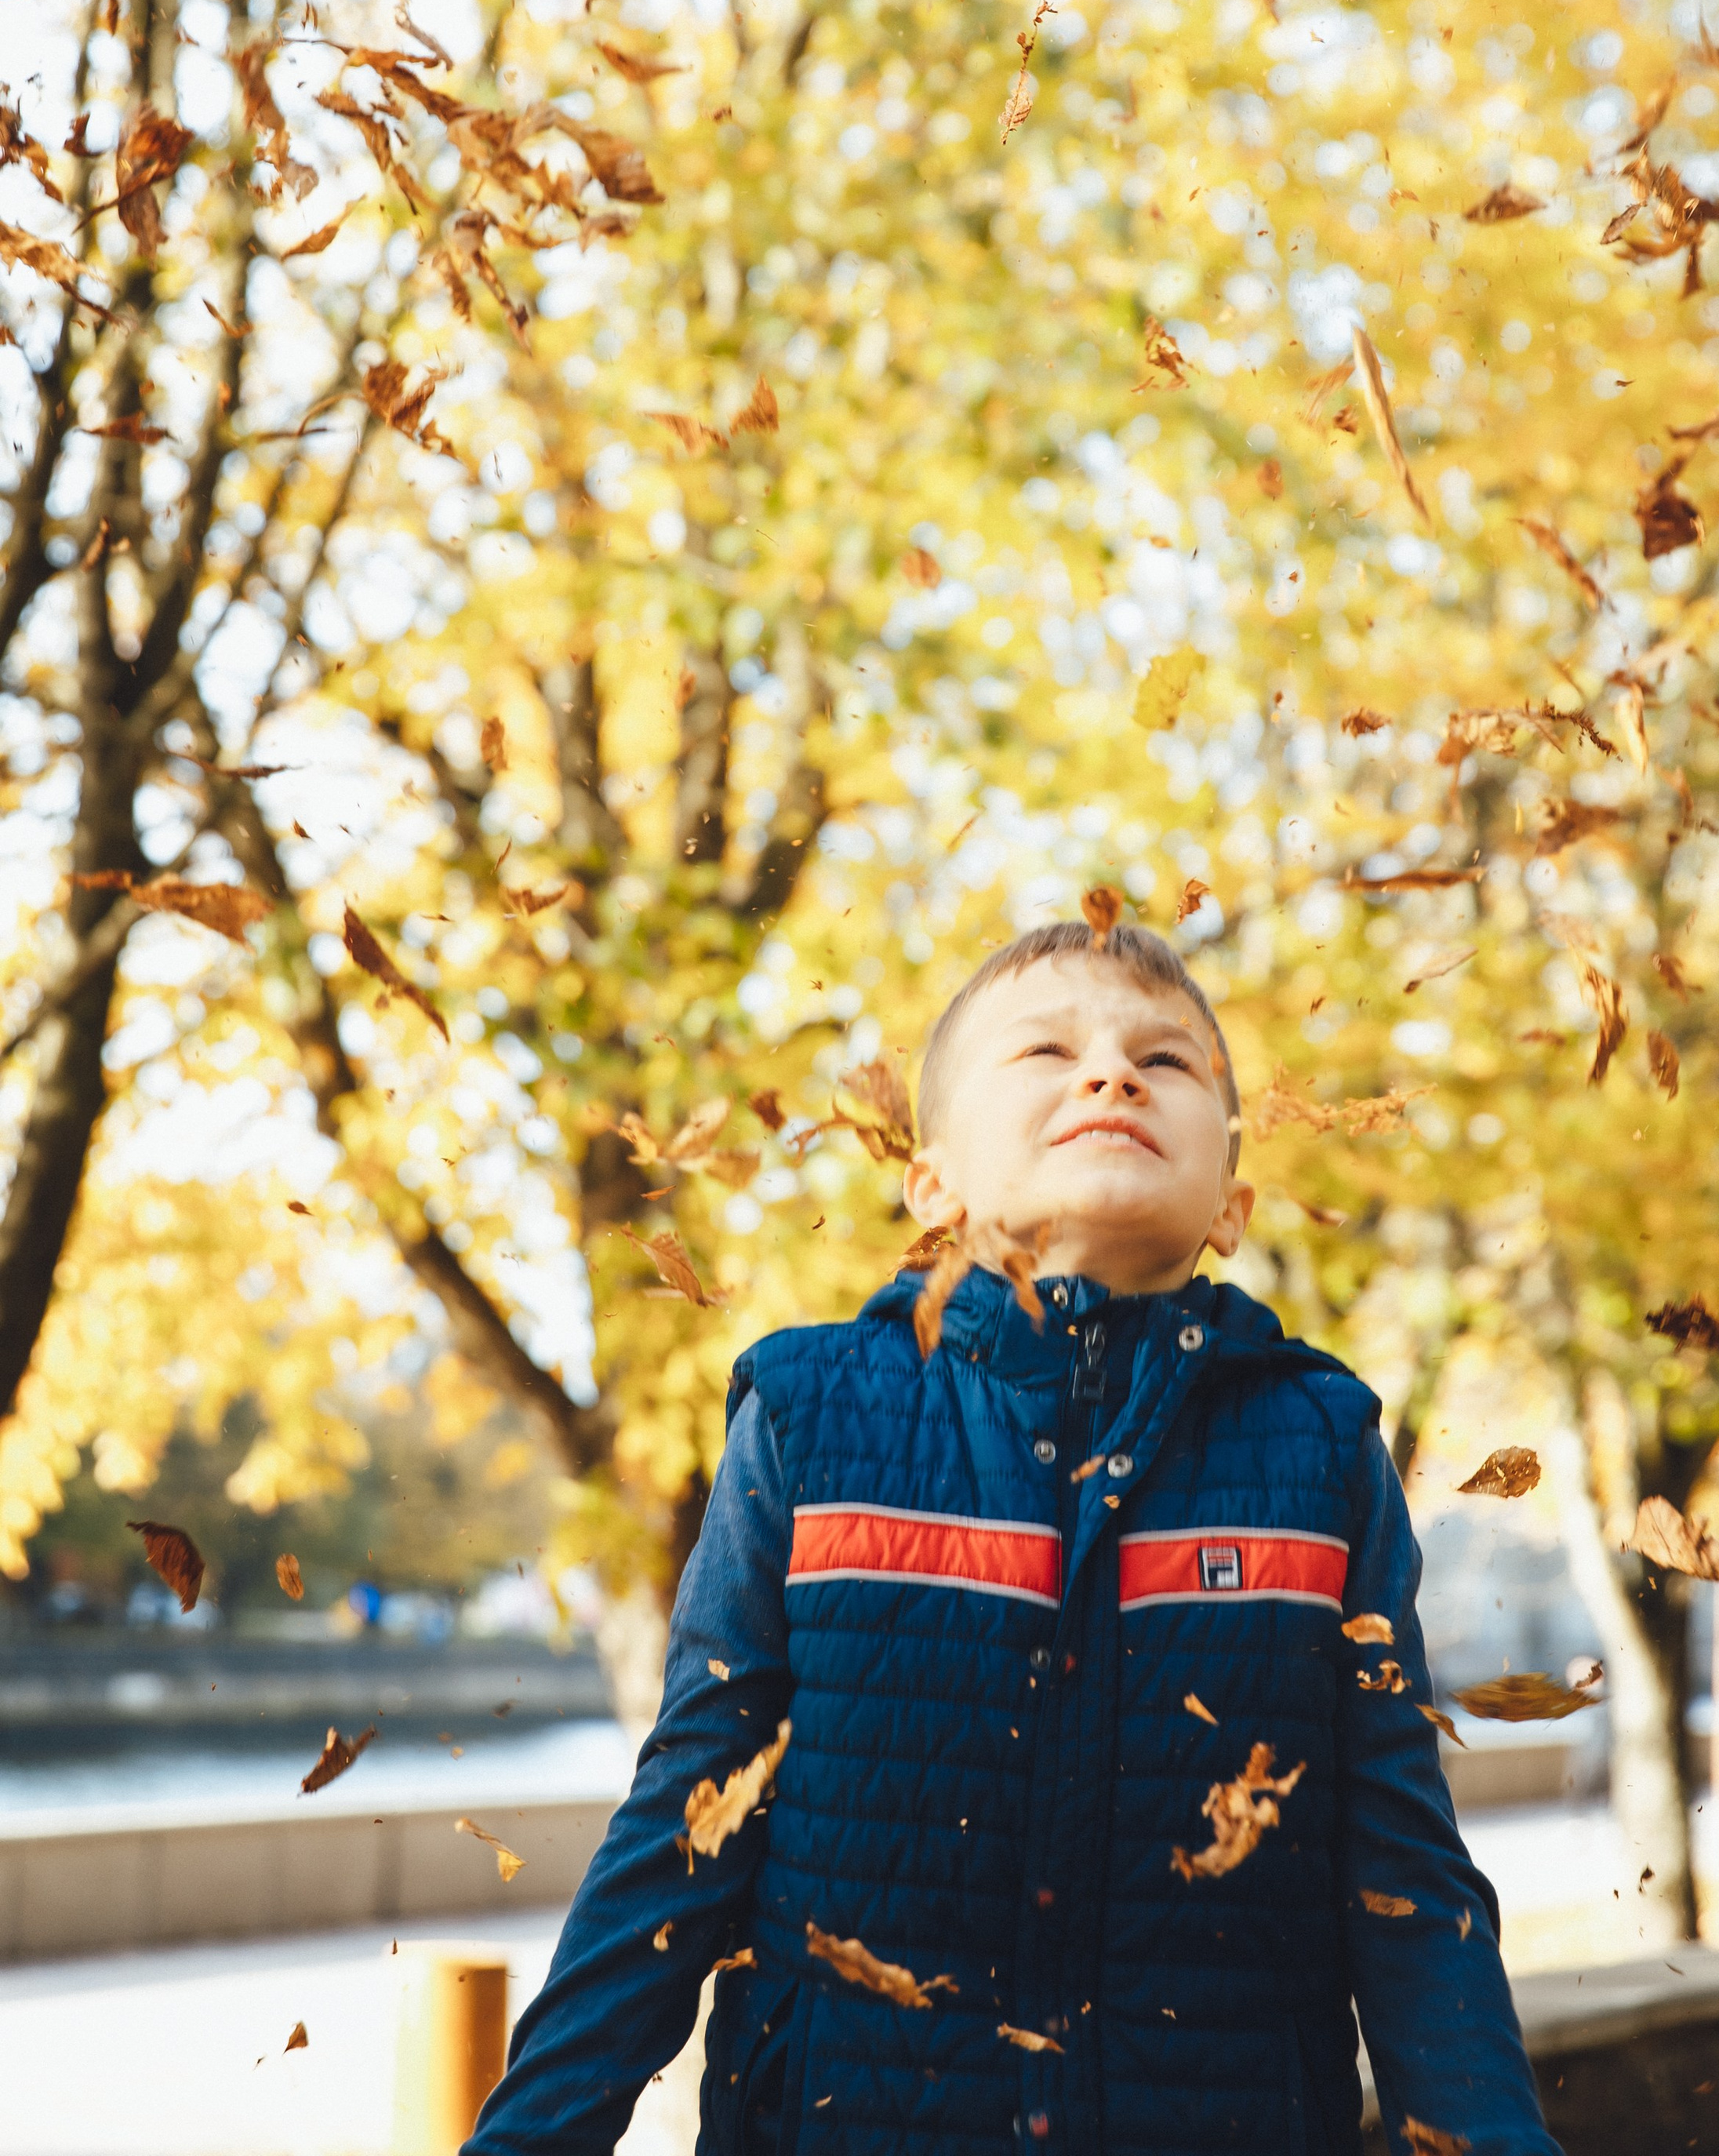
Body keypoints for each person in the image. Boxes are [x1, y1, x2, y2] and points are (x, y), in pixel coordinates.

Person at [464, 920, 1561, 2156]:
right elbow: (689, 1821)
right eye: (1048, 1049)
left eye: (1169, 1061)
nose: (1112, 1074)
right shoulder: (813, 1417)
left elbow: (1402, 1875)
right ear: (933, 1186)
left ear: (1232, 1206)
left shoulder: (1318, 1447)